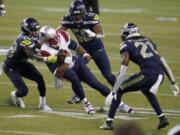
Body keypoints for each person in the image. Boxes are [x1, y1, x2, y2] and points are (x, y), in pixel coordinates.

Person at [57, 0, 133, 113]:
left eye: (79, 15)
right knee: (76, 71)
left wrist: (94, 34)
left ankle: (119, 90)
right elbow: (58, 33)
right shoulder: (67, 19)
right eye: (74, 15)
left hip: (97, 48)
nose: (77, 17)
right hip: (82, 49)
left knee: (107, 75)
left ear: (84, 12)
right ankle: (78, 95)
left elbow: (101, 34)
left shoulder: (91, 17)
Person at [100, 23, 179, 130]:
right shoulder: (148, 41)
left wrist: (113, 91)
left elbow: (123, 72)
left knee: (120, 89)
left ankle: (109, 122)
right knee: (146, 90)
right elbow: (163, 62)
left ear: (126, 33)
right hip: (160, 75)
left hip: (148, 75)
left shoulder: (126, 44)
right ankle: (162, 118)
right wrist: (173, 82)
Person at [3, 18, 56, 111]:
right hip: (11, 67)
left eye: (37, 29)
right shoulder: (24, 39)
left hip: (22, 63)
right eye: (33, 30)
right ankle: (14, 95)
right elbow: (33, 55)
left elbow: (41, 46)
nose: (36, 32)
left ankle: (42, 104)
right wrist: (47, 58)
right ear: (27, 30)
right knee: (23, 91)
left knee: (40, 79)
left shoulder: (33, 36)